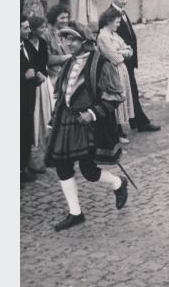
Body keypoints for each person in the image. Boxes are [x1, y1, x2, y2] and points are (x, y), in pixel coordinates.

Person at [45, 21, 128, 231]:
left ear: (84, 41)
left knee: (89, 170)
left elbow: (116, 96)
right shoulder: (68, 63)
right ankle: (76, 213)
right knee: (62, 166)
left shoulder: (101, 64)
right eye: (65, 39)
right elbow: (61, 93)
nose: (68, 43)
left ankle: (118, 184)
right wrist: (55, 116)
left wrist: (92, 114)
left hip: (89, 125)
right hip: (67, 121)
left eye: (73, 39)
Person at [107, 0, 161, 132]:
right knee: (121, 93)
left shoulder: (122, 12)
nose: (124, 2)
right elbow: (108, 40)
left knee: (133, 92)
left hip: (128, 61)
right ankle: (119, 127)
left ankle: (138, 122)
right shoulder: (109, 15)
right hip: (120, 61)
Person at [97, 9, 135, 144]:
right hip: (112, 71)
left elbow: (130, 50)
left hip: (121, 70)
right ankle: (115, 132)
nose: (118, 25)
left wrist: (122, 51)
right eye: (117, 22)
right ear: (109, 21)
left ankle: (119, 129)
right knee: (115, 99)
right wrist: (122, 52)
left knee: (122, 98)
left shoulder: (114, 34)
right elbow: (114, 57)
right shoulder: (103, 37)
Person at [21, 16, 41, 183]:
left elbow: (36, 60)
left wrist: (37, 72)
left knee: (27, 132)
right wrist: (24, 76)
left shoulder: (26, 44)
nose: (29, 30)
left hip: (28, 98)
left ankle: (23, 165)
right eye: (25, 28)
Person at [45, 4, 73, 85]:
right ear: (54, 18)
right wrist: (68, 57)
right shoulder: (46, 35)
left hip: (70, 73)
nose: (65, 20)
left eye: (66, 17)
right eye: (62, 18)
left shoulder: (70, 32)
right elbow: (47, 59)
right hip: (54, 76)